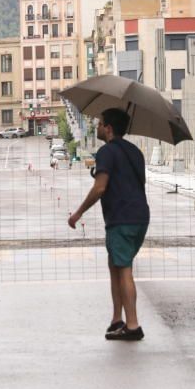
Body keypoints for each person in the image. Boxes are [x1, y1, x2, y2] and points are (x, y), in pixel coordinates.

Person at [68, 108, 149, 341]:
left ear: (109, 128)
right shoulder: (135, 152)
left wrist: (78, 214)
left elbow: (100, 187)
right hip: (138, 216)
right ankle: (117, 320)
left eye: (100, 123)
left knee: (123, 269)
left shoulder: (106, 152)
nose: (97, 127)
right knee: (116, 266)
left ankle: (132, 325)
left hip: (122, 218)